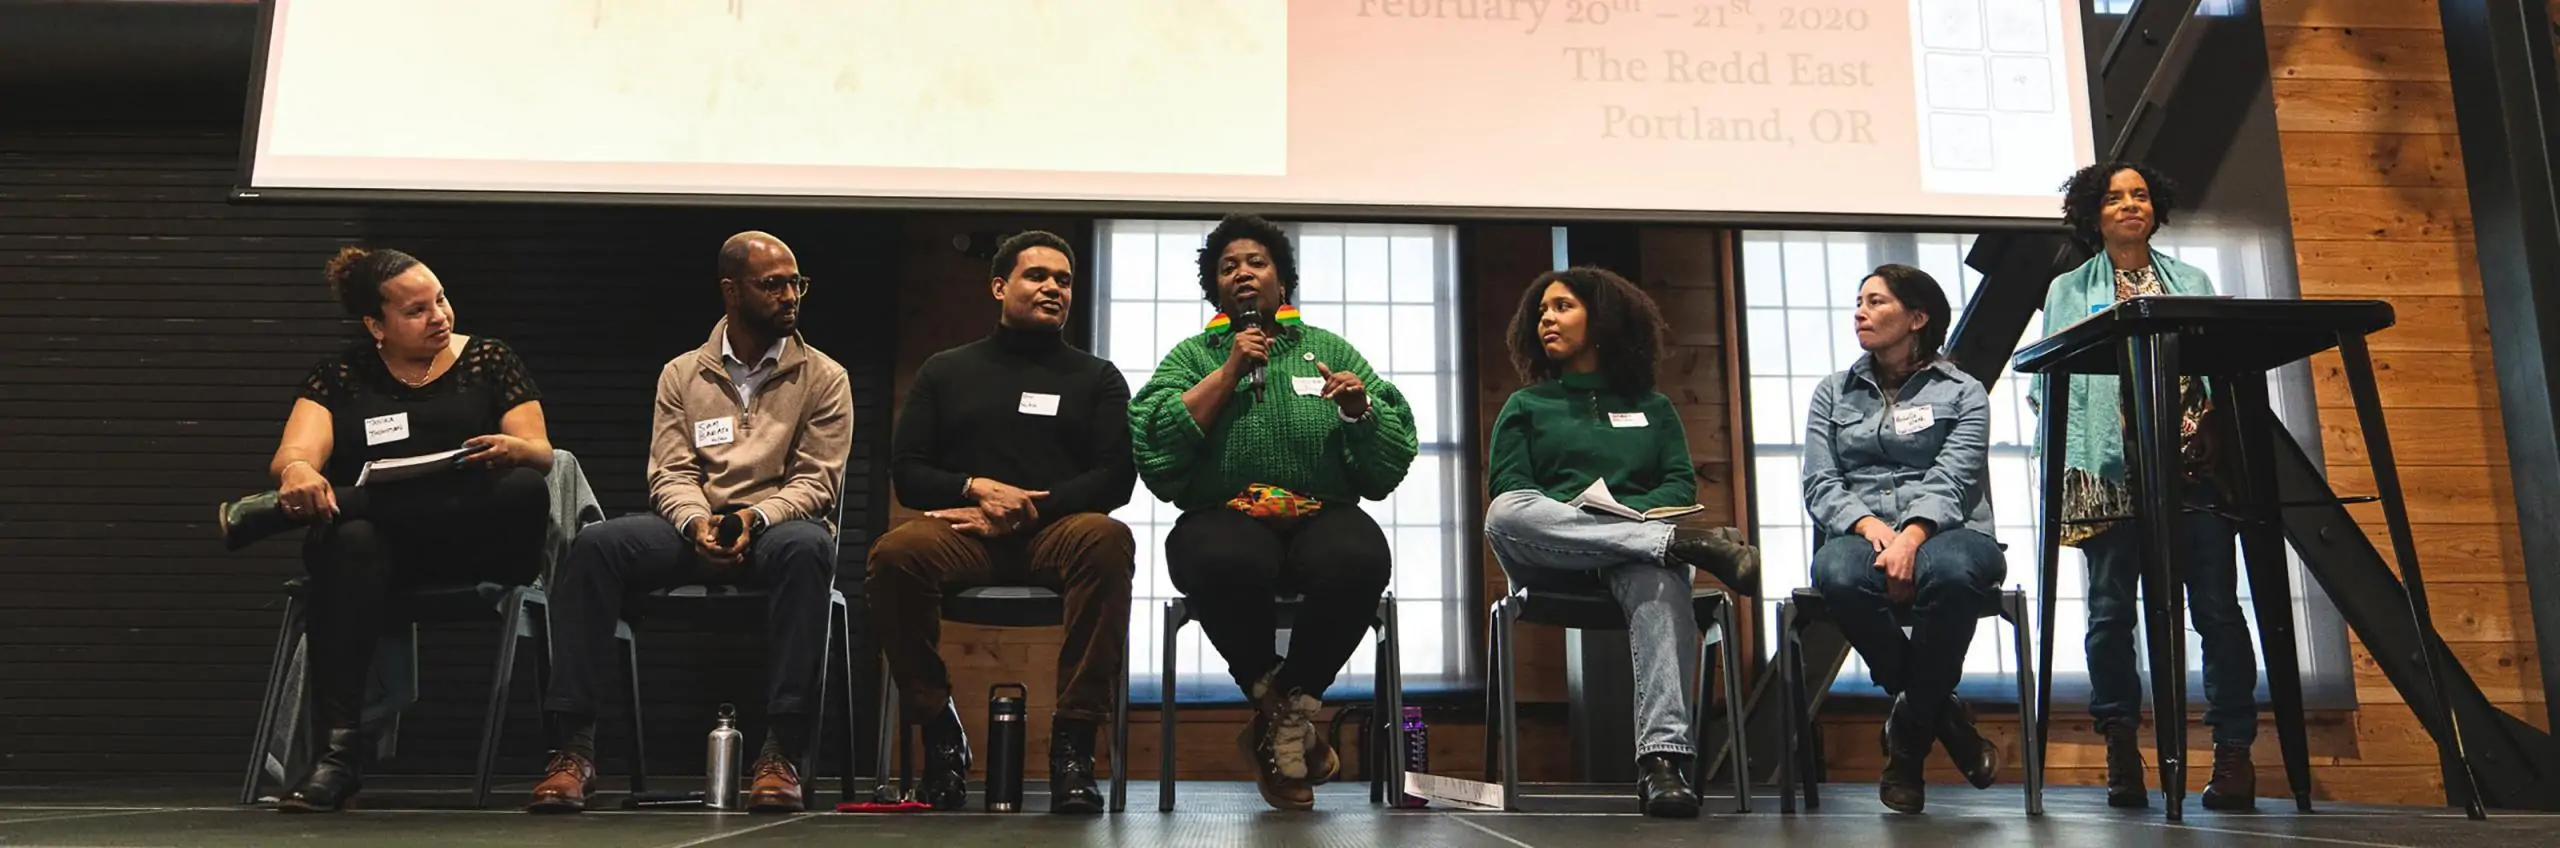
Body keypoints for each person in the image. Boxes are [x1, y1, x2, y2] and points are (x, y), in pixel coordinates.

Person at [217, 246, 554, 812]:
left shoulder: (490, 359)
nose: (440, 316)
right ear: (377, 324)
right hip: (387, 558)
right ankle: (338, 758)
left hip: (482, 542)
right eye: (417, 310)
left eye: (441, 299)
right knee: (351, 538)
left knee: (522, 487)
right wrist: (299, 471)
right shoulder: (341, 377)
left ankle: (288, 511)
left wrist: (514, 448)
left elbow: (540, 453)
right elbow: (294, 453)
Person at [529, 231, 853, 814]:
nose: (790, 296)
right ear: (731, 291)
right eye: (772, 284)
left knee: (809, 549)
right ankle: (573, 749)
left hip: (777, 527)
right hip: (694, 523)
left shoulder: (825, 378)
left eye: (796, 282)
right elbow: (670, 472)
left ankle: (782, 752)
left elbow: (816, 484)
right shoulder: (682, 374)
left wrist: (754, 517)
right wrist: (696, 523)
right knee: (597, 546)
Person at [1128, 213, 1419, 811]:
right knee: (1219, 556)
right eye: (1227, 266)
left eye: (1256, 263)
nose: (1242, 274)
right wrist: (1230, 369)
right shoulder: (1193, 356)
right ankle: (1289, 719)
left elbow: (1385, 467)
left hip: (1321, 513)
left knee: (1358, 556)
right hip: (1224, 515)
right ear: (1214, 288)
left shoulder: (1329, 351)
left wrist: (1359, 413)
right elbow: (1155, 449)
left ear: (1281, 281)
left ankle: (1281, 713)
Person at [866, 231, 1137, 813]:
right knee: (895, 554)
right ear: (999, 286)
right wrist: (973, 488)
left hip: (1056, 533)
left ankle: (1073, 748)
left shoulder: (1097, 378)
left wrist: (1031, 509)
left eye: (1063, 280)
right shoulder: (946, 370)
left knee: (1109, 539)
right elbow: (908, 473)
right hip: (968, 532)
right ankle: (940, 730)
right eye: (1037, 276)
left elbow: (1117, 478)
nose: (1053, 288)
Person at [1480, 267, 1761, 818]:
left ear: (1602, 320)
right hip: (1551, 556)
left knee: (1659, 581)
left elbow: (1678, 481)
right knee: (1504, 512)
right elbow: (1513, 489)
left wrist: (1634, 523)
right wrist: (1593, 519)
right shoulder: (1526, 406)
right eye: (1541, 311)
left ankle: (1662, 763)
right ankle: (1682, 545)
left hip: (1634, 551)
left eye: (1562, 307)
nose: (1546, 320)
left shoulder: (1653, 407)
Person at [2039, 162, 2257, 811]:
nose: (2129, 205)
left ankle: (2233, 754)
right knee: (2110, 616)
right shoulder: (2068, 288)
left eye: (2139, 196)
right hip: (2108, 475)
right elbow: (2048, 379)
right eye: (2114, 198)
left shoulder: (2193, 281)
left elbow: (2222, 367)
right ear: (2092, 214)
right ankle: (2119, 748)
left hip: (2195, 471)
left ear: (2156, 209)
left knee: (2216, 610)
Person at [1801, 264, 2006, 814]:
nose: (1860, 312)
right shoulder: (1832, 392)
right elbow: (1820, 482)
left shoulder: (1964, 392)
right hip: (1859, 529)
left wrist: (1910, 539)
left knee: (1956, 573)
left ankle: (1907, 743)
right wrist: (1874, 531)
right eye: (1859, 301)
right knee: (1839, 575)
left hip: (1952, 529)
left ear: (1917, 318)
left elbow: (1956, 478)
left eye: (1876, 302)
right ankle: (1944, 720)